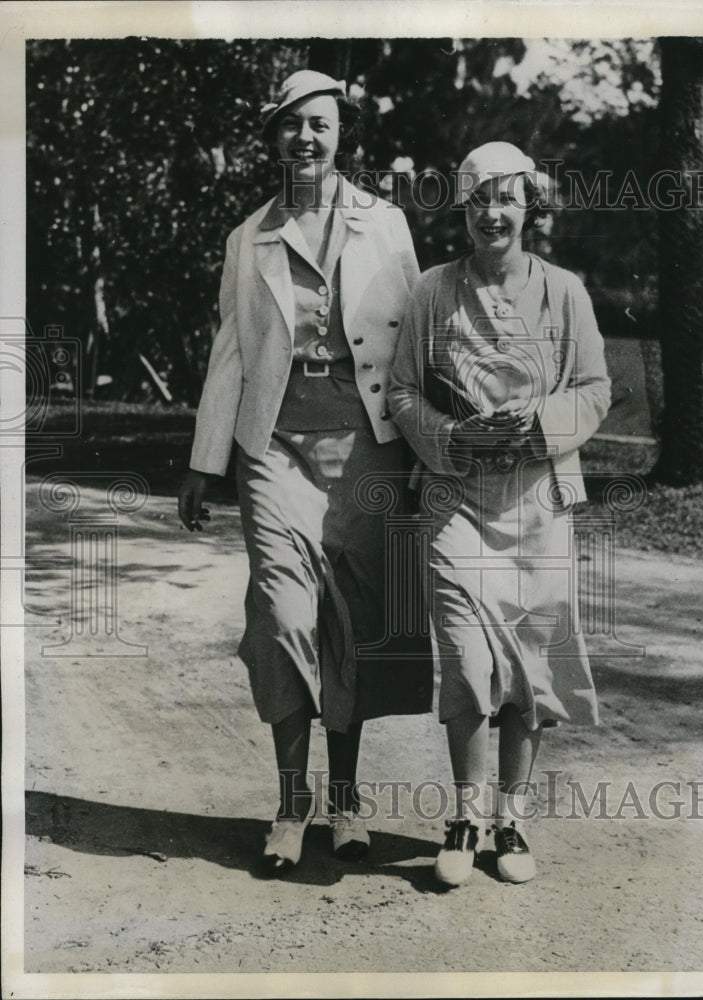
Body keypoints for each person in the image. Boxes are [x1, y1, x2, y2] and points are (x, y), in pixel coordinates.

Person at [178, 70, 432, 876]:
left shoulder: (387, 223)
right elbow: (231, 354)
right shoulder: (247, 235)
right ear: (274, 138)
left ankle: (346, 800)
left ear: (340, 132)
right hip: (274, 452)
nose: (307, 140)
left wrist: (430, 451)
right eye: (292, 127)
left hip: (370, 456)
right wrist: (202, 462)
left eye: (319, 125)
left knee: (352, 625)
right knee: (286, 621)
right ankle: (291, 805)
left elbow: (419, 343)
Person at [387, 142, 611, 887]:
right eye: (479, 199)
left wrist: (539, 421)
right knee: (466, 657)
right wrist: (454, 437)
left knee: (530, 664)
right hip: (456, 497)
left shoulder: (566, 292)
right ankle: (464, 816)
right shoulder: (431, 292)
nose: (493, 213)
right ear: (463, 209)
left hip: (540, 500)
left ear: (529, 207)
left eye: (507, 198)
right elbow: (402, 394)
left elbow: (595, 388)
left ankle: (510, 822)